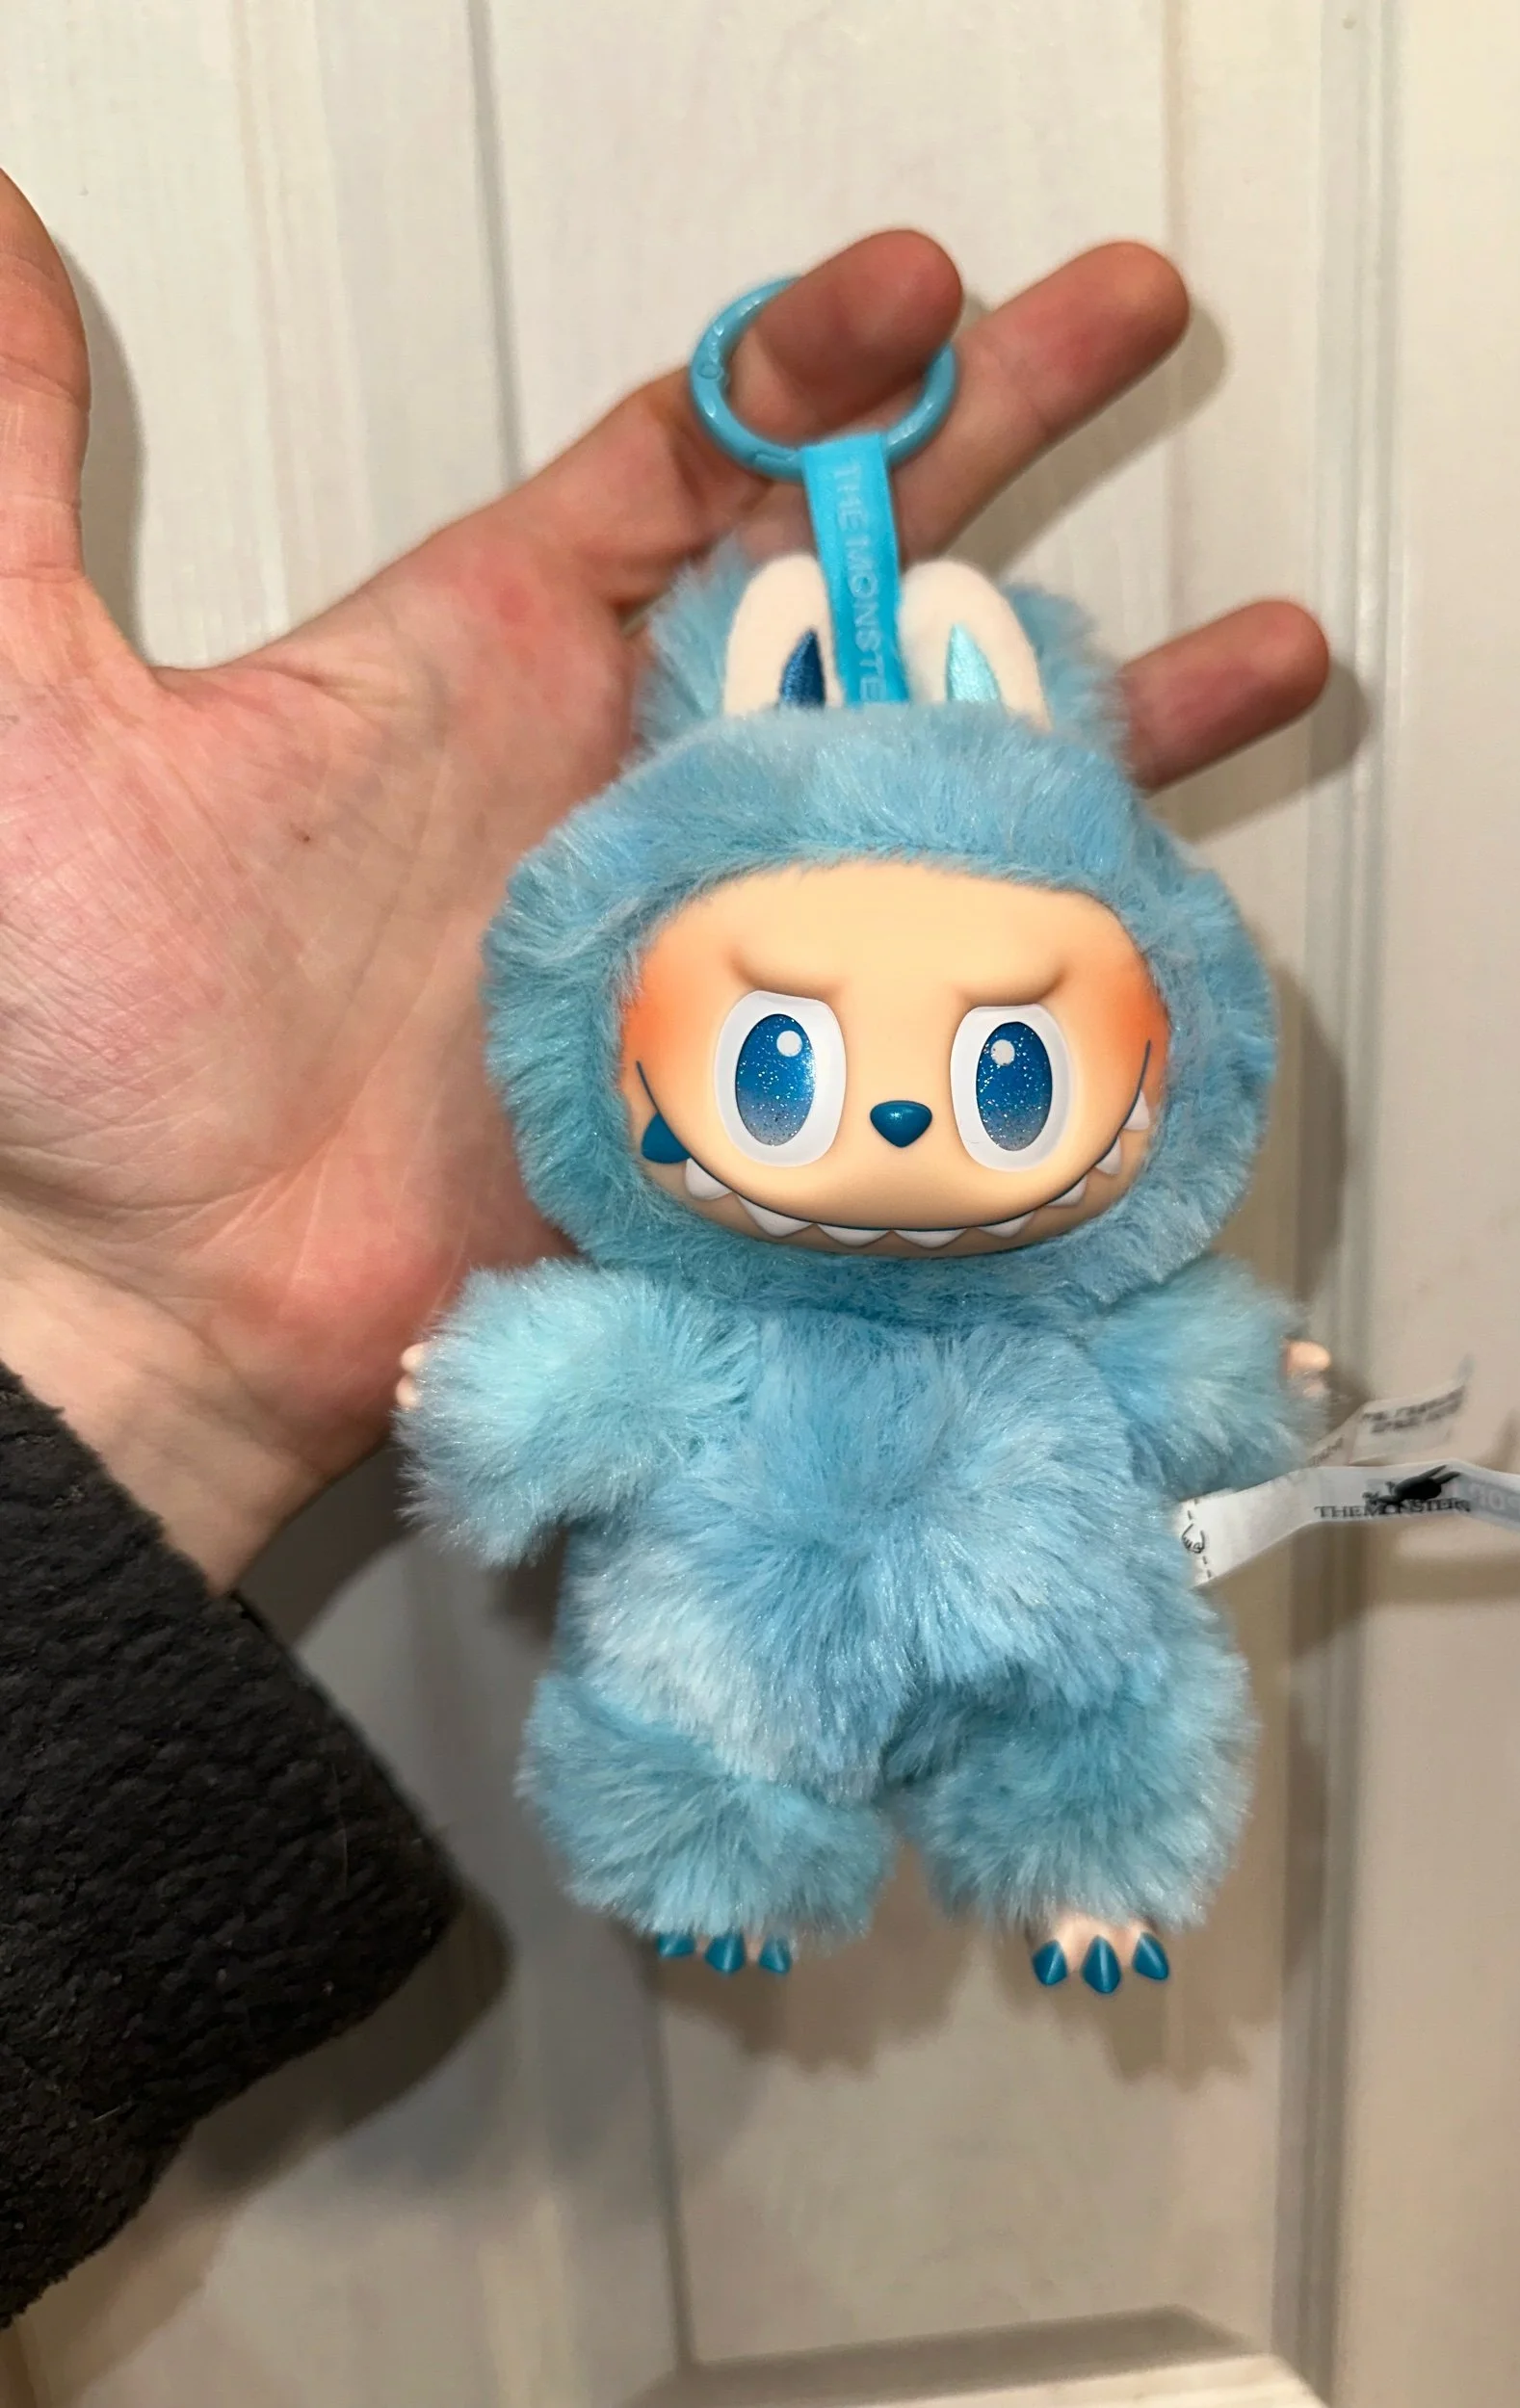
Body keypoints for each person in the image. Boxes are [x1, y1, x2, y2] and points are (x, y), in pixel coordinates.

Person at [0, 170, 1330, 2323]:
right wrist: (454, 1388)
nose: (894, 1124)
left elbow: (1175, 1364)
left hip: (1043, 1582)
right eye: (790, 1060)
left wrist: (1246, 1381)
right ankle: (721, 1852)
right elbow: (566, 1385)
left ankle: (1092, 1862)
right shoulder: (690, 1303)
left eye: (1004, 1073)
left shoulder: (1066, 1296)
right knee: (699, 1715)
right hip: (745, 1611)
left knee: (1109, 1698)